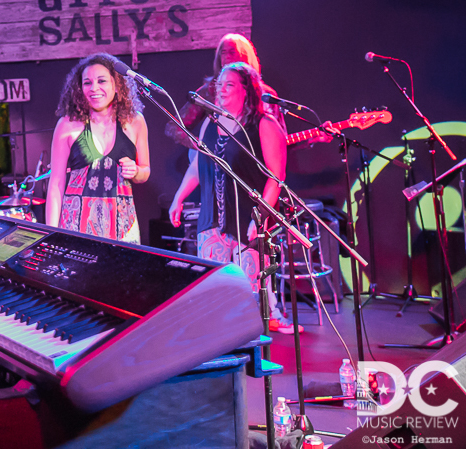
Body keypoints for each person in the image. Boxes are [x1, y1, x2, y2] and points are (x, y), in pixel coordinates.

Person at [167, 63, 302, 334]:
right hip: (211, 222)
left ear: (246, 90)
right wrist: (178, 197)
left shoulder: (264, 125)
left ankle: (250, 352)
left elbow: (276, 176)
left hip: (248, 222)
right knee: (214, 292)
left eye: (229, 85)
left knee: (248, 294)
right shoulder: (209, 123)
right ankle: (221, 350)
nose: (222, 90)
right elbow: (197, 165)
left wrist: (261, 215)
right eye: (220, 85)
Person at [46, 53, 150, 245]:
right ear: (79, 88)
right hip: (76, 227)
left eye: (101, 81)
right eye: (87, 83)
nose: (94, 88)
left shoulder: (135, 122)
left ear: (117, 85)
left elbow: (145, 171)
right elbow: (56, 185)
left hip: (123, 229)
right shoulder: (67, 124)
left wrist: (136, 171)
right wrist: (52, 235)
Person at [165, 33, 287, 151]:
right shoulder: (210, 91)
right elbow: (174, 127)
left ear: (245, 56)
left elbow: (280, 137)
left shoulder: (265, 95)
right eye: (223, 53)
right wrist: (200, 145)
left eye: (232, 52)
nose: (227, 57)